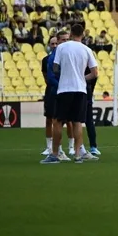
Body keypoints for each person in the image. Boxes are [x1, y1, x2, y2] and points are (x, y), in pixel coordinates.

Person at [41, 24, 98, 164]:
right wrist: (82, 78)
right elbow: (95, 73)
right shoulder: (86, 49)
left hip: (65, 88)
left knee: (58, 121)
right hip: (80, 89)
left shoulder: (61, 47)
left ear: (71, 33)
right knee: (78, 122)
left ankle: (55, 154)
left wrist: (65, 73)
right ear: (82, 35)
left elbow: (54, 68)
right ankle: (78, 155)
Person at [40, 33, 73, 159]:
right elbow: (48, 77)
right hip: (53, 91)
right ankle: (53, 148)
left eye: (56, 43)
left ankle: (70, 147)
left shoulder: (67, 56)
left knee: (66, 121)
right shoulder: (47, 59)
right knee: (52, 120)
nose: (54, 45)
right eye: (52, 43)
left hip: (63, 90)